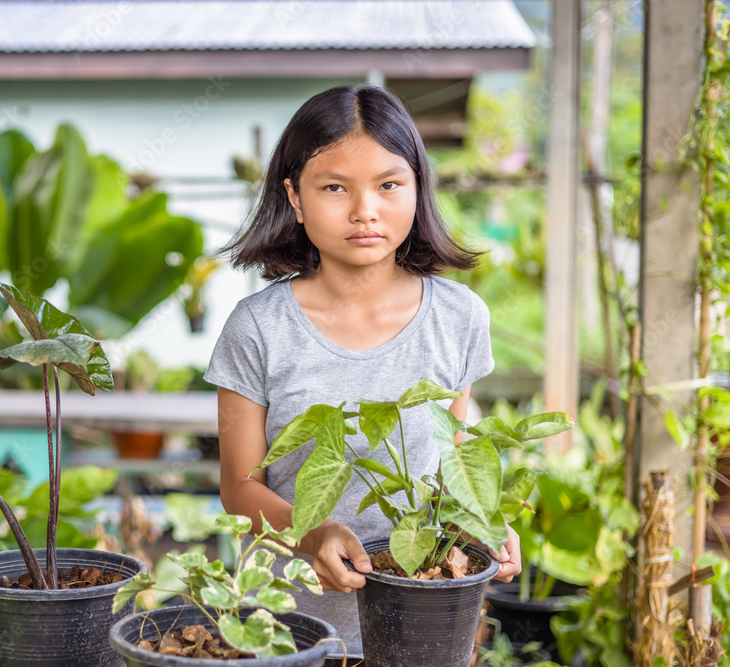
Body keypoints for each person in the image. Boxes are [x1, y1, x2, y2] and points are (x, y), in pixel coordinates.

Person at [202, 85, 522, 659]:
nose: (364, 210)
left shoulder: (459, 317)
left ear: (419, 188)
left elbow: (451, 464)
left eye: (389, 185)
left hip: (426, 617)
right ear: (294, 197)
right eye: (334, 188)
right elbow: (238, 486)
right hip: (290, 626)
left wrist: (481, 526)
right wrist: (312, 535)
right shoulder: (257, 327)